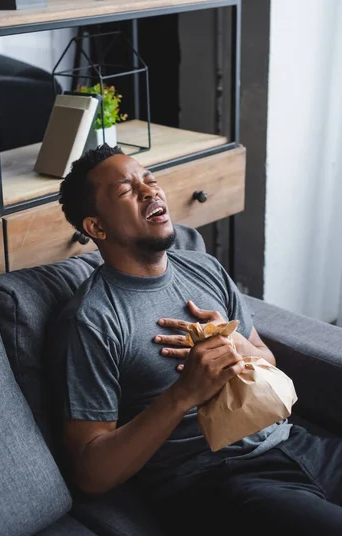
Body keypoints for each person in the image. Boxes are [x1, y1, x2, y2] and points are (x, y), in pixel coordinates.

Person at [50, 143, 342, 534]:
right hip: (222, 480)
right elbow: (91, 473)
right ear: (97, 227)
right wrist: (184, 393)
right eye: (126, 190)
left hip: (296, 443)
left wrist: (241, 349)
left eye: (150, 181)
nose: (150, 191)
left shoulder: (204, 267)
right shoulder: (92, 321)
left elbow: (266, 358)